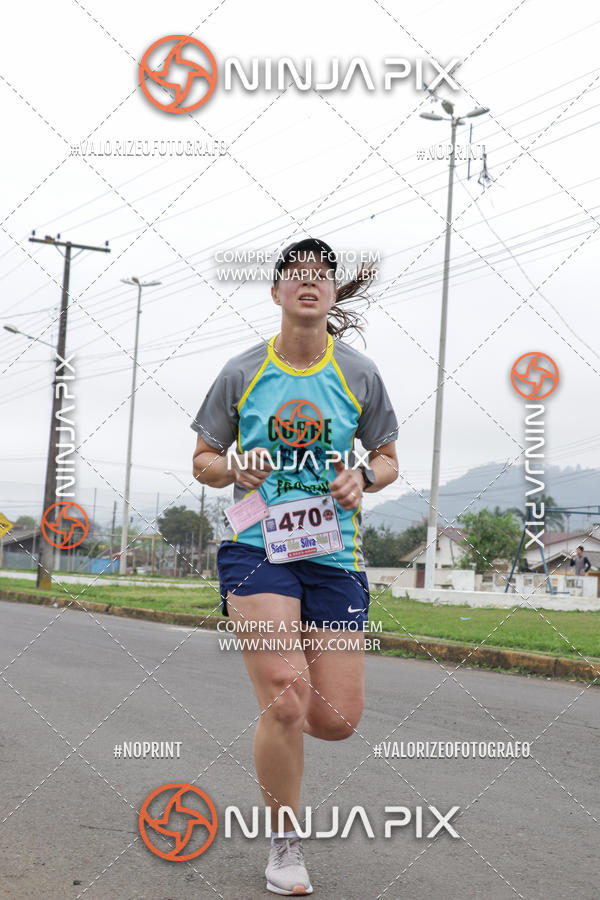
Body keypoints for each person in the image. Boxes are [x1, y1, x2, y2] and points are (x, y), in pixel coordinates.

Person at [191, 237, 398, 895]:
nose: (309, 283)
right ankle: (284, 846)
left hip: (333, 553)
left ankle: (283, 728)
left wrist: (362, 476)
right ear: (277, 291)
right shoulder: (241, 371)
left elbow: (389, 458)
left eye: (321, 276)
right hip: (258, 544)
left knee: (334, 719)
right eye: (295, 275)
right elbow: (202, 458)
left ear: (332, 295)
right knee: (284, 693)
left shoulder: (359, 373)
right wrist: (231, 467)